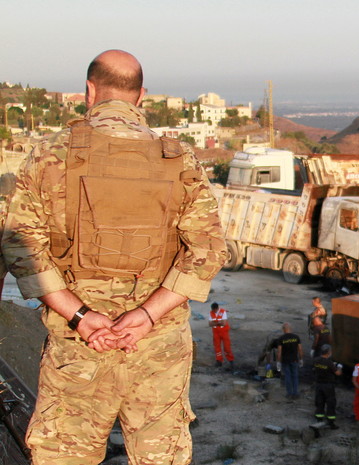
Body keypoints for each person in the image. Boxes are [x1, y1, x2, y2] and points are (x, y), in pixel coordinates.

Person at [0, 49, 227, 465]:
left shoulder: (52, 155)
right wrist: (146, 316)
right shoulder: (180, 160)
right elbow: (209, 250)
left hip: (78, 345)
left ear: (89, 91)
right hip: (156, 347)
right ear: (141, 96)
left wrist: (81, 316)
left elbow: (20, 245)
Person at [313, 344, 342, 429]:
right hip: (328, 386)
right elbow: (338, 373)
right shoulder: (329, 362)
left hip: (318, 384)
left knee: (320, 402)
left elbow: (315, 369)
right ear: (328, 352)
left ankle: (319, 419)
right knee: (330, 403)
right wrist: (339, 367)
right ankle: (331, 422)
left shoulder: (316, 360)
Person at [276, 322, 303, 399]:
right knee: (295, 376)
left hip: (285, 360)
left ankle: (289, 393)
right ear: (290, 328)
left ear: (284, 329)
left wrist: (278, 362)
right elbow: (300, 349)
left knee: (288, 376)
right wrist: (301, 359)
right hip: (294, 360)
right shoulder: (296, 337)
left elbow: (279, 352)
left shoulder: (281, 338)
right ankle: (295, 393)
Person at [209, 302, 234, 368]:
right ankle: (219, 361)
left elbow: (224, 323)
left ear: (217, 308)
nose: (213, 311)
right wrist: (218, 322)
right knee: (217, 347)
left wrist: (215, 323)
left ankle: (231, 360)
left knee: (227, 347)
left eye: (214, 310)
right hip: (216, 332)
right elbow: (210, 324)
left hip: (224, 332)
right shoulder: (211, 313)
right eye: (213, 310)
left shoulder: (223, 312)